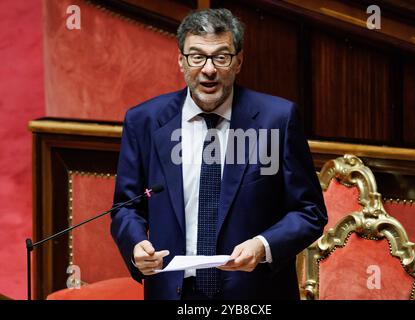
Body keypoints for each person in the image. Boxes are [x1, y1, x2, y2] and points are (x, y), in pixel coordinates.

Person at [111, 8, 327, 300]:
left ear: (238, 61)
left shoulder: (277, 120)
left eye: (221, 57)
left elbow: (309, 212)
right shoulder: (144, 121)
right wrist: (136, 245)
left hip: (254, 294)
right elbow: (126, 207)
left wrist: (263, 245)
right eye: (197, 56)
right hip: (174, 292)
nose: (208, 69)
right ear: (181, 61)